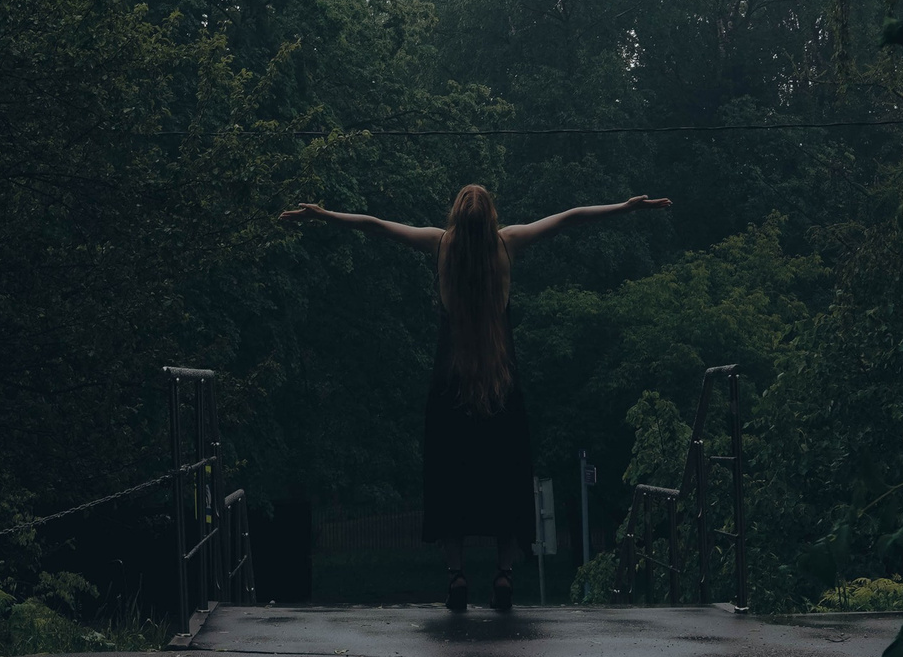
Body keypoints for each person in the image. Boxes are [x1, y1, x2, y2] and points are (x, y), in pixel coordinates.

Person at [279, 186, 672, 612]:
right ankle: (504, 574)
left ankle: (457, 575)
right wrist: (627, 207)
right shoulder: (508, 243)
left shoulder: (440, 244)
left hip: (450, 389)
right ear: (491, 218)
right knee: (507, 479)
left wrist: (322, 214)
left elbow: (376, 226)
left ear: (455, 218)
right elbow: (571, 216)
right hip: (502, 388)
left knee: (449, 481)